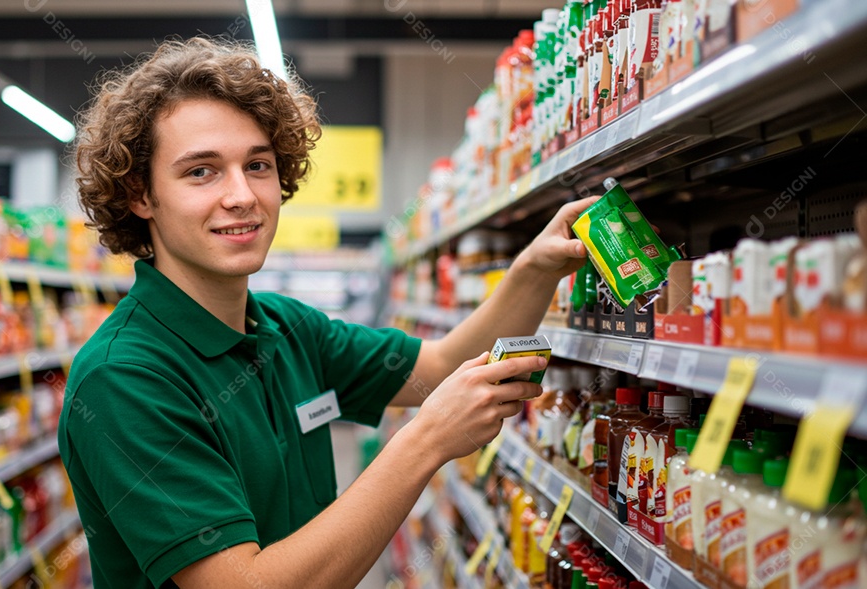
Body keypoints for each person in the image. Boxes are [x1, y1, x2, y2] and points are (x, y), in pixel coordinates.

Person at [59, 37, 597, 589]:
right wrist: (426, 440)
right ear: (140, 195)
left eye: (258, 165)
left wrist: (534, 270)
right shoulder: (124, 378)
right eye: (202, 171)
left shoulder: (286, 328)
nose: (242, 195)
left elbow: (436, 368)